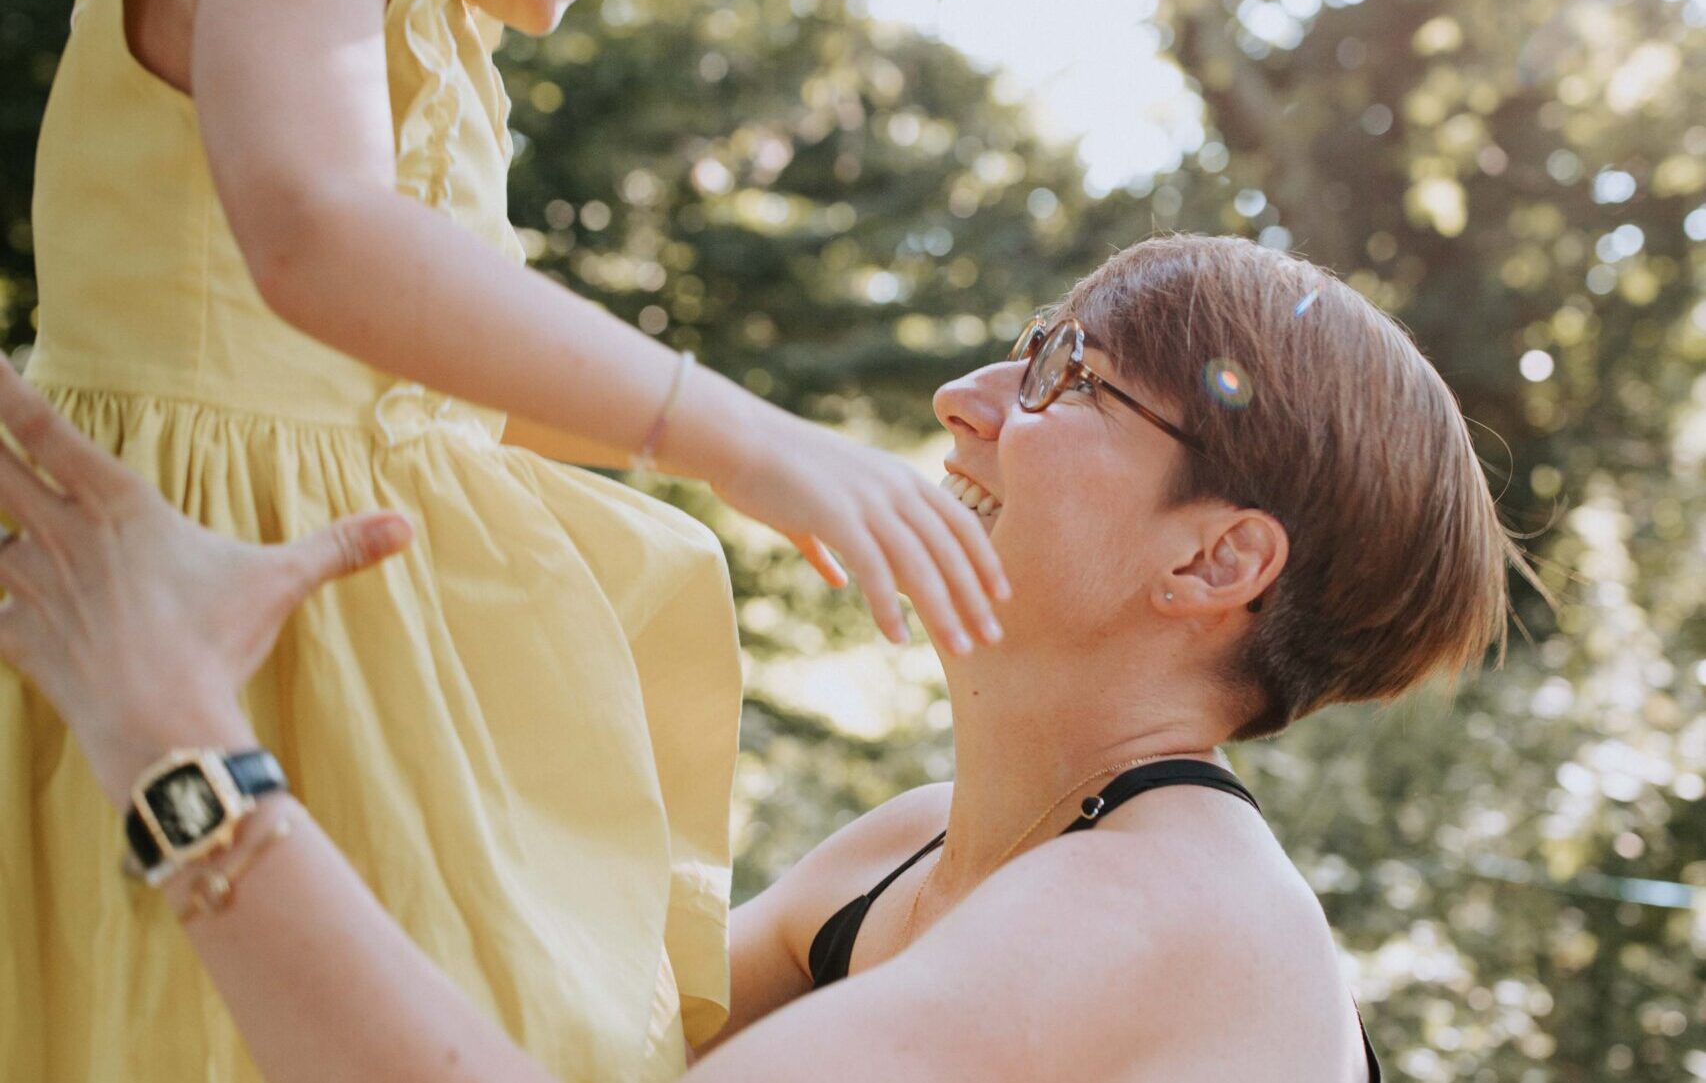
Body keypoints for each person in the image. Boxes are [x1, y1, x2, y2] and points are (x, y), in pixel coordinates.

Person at [4, 0, 1007, 1083]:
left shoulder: (422, 21)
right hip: (195, 591)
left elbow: (419, 365)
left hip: (335, 648)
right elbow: (319, 240)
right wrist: (751, 442)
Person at [0, 235, 1521, 1081]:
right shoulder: (908, 845)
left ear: (1212, 560)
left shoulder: (1176, 907)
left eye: (1069, 374)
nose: (965, 396)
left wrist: (176, 746)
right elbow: (554, 1033)